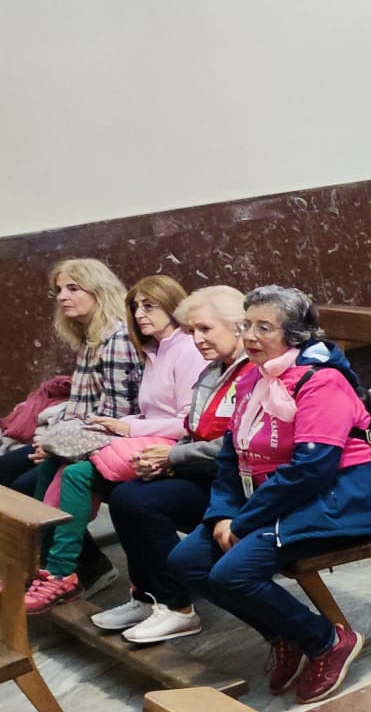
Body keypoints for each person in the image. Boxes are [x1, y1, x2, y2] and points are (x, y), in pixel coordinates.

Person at [168, 287, 371, 703]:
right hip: (270, 500)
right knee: (187, 561)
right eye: (246, 324)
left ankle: (327, 641)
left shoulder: (322, 381)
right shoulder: (253, 377)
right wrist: (222, 516)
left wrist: (244, 523)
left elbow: (312, 469)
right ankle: (285, 634)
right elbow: (230, 458)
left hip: (336, 501)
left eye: (264, 327)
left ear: (295, 334)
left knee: (232, 574)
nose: (250, 336)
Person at [28, 274, 206, 616]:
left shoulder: (185, 350)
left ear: (173, 306)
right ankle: (38, 565)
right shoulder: (154, 350)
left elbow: (190, 421)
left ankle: (61, 572)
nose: (140, 314)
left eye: (150, 306)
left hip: (171, 445)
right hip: (143, 435)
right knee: (54, 460)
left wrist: (126, 427)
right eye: (136, 306)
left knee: (79, 474)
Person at [90, 286, 250, 645]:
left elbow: (239, 445)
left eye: (205, 329)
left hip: (241, 488)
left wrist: (173, 458)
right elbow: (193, 430)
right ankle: (147, 596)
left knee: (140, 501)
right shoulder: (212, 373)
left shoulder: (252, 372)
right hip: (209, 477)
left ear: (238, 326)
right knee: (126, 491)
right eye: (192, 330)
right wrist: (164, 462)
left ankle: (178, 608)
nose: (196, 339)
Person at [0, 260, 142, 510]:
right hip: (77, 436)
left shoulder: (118, 339)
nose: (62, 297)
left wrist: (60, 447)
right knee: (6, 469)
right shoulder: (91, 339)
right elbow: (79, 407)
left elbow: (118, 417)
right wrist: (51, 439)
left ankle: (67, 549)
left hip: (104, 443)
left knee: (23, 489)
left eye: (73, 289)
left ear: (99, 291)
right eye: (59, 290)